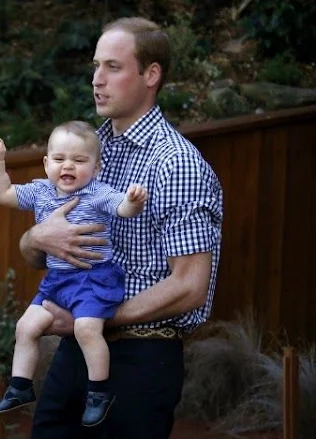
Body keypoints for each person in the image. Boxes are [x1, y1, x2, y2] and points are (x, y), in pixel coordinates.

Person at [21, 17, 223, 438]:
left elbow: (190, 285)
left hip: (142, 358)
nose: (97, 80)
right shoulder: (84, 150)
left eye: (113, 67)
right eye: (96, 66)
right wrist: (35, 237)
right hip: (76, 351)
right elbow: (35, 251)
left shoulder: (175, 163)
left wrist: (101, 320)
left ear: (151, 75)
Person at [0, 121, 148, 427]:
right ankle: (20, 386)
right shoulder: (41, 191)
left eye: (79, 160)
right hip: (57, 282)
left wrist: (133, 201)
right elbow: (3, 193)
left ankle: (98, 392)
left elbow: (122, 209)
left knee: (86, 329)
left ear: (97, 168)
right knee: (26, 327)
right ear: (46, 163)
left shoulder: (98, 193)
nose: (68, 166)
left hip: (93, 278)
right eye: (59, 159)